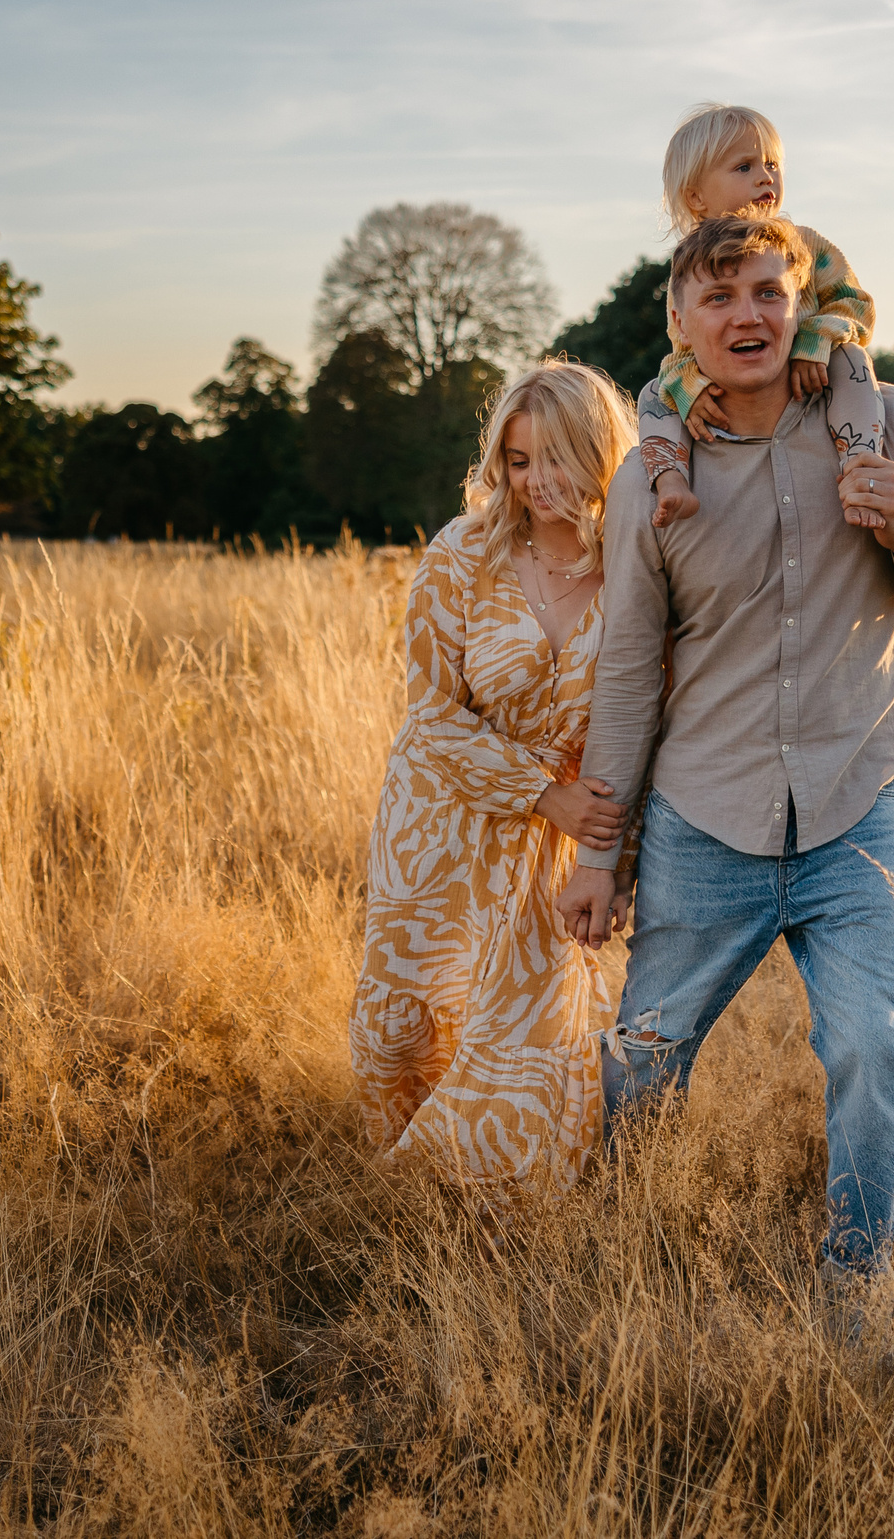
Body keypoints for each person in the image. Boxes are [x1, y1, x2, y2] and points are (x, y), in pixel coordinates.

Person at [557, 214, 894, 1302]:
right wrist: (602, 853)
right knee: (643, 1059)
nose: (745, 316)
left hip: (857, 804)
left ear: (800, 306)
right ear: (678, 323)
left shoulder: (885, 423)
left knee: (870, 1052)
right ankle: (629, 1271)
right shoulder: (653, 475)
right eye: (719, 298)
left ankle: (856, 1285)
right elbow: (625, 667)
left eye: (766, 291)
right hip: (707, 812)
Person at [352, 359, 641, 1188]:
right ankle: (400, 1211)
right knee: (403, 1037)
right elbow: (431, 715)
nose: (537, 481)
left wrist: (614, 862)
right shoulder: (462, 553)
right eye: (518, 461)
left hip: (548, 857)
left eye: (555, 458)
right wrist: (544, 793)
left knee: (523, 1050)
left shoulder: (636, 570)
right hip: (437, 829)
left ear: (597, 454)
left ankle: (498, 1231)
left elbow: (645, 723)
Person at [638, 104, 887, 532]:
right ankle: (672, 481)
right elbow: (682, 350)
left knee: (853, 360)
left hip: (819, 380)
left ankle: (861, 460)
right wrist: (690, 391)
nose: (765, 177)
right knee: (654, 394)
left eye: (772, 164)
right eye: (744, 166)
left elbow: (856, 304)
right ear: (697, 197)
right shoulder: (691, 269)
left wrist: (815, 340)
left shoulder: (804, 245)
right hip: (739, 400)